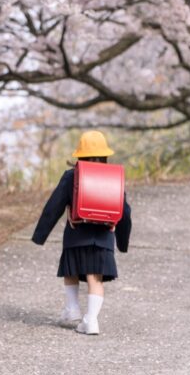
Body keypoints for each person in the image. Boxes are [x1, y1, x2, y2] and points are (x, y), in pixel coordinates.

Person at [32, 130, 132, 335]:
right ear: (105, 154)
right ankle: (91, 320)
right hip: (103, 239)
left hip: (76, 235)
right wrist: (122, 242)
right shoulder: (113, 178)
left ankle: (72, 309)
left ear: (80, 155)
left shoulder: (72, 176)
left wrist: (40, 235)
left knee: (71, 272)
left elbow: (54, 206)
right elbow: (125, 211)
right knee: (95, 278)